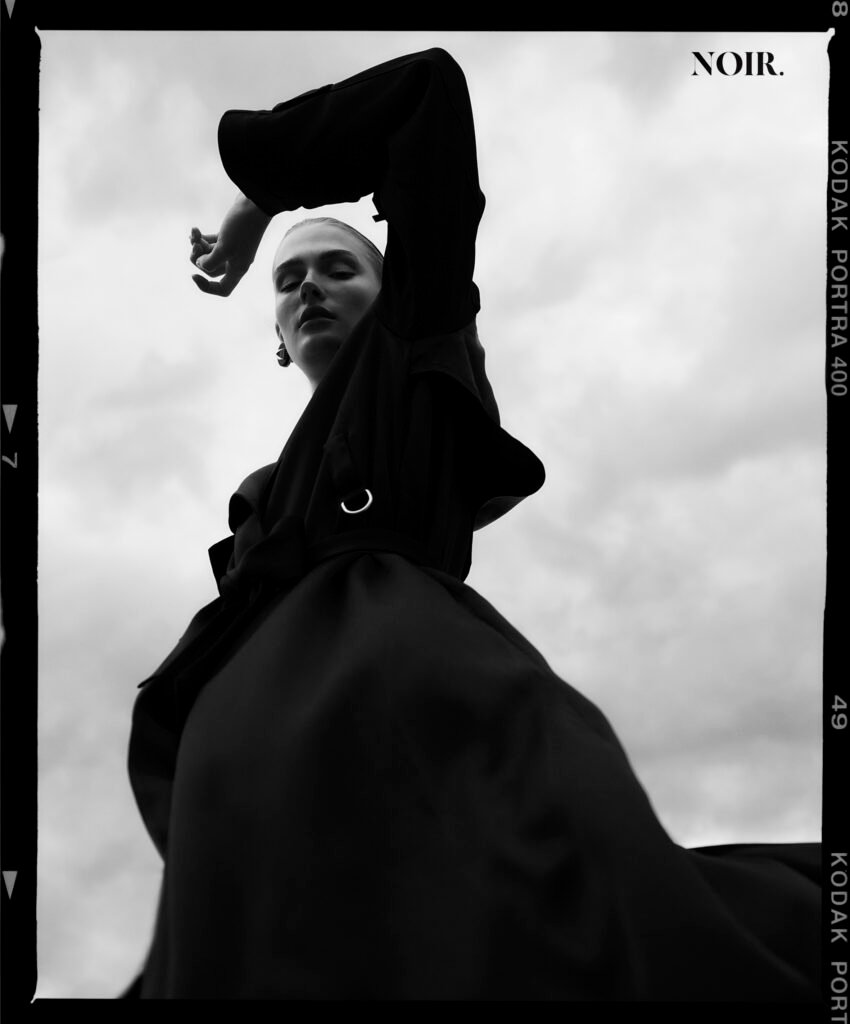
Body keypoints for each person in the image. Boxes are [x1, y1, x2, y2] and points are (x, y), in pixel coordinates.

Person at [123, 48, 821, 1000]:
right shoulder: (267, 497)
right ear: (275, 342)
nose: (308, 287)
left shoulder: (413, 359)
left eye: (339, 268)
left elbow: (427, 97)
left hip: (416, 730)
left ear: (396, 295)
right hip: (264, 813)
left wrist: (259, 204)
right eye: (287, 282)